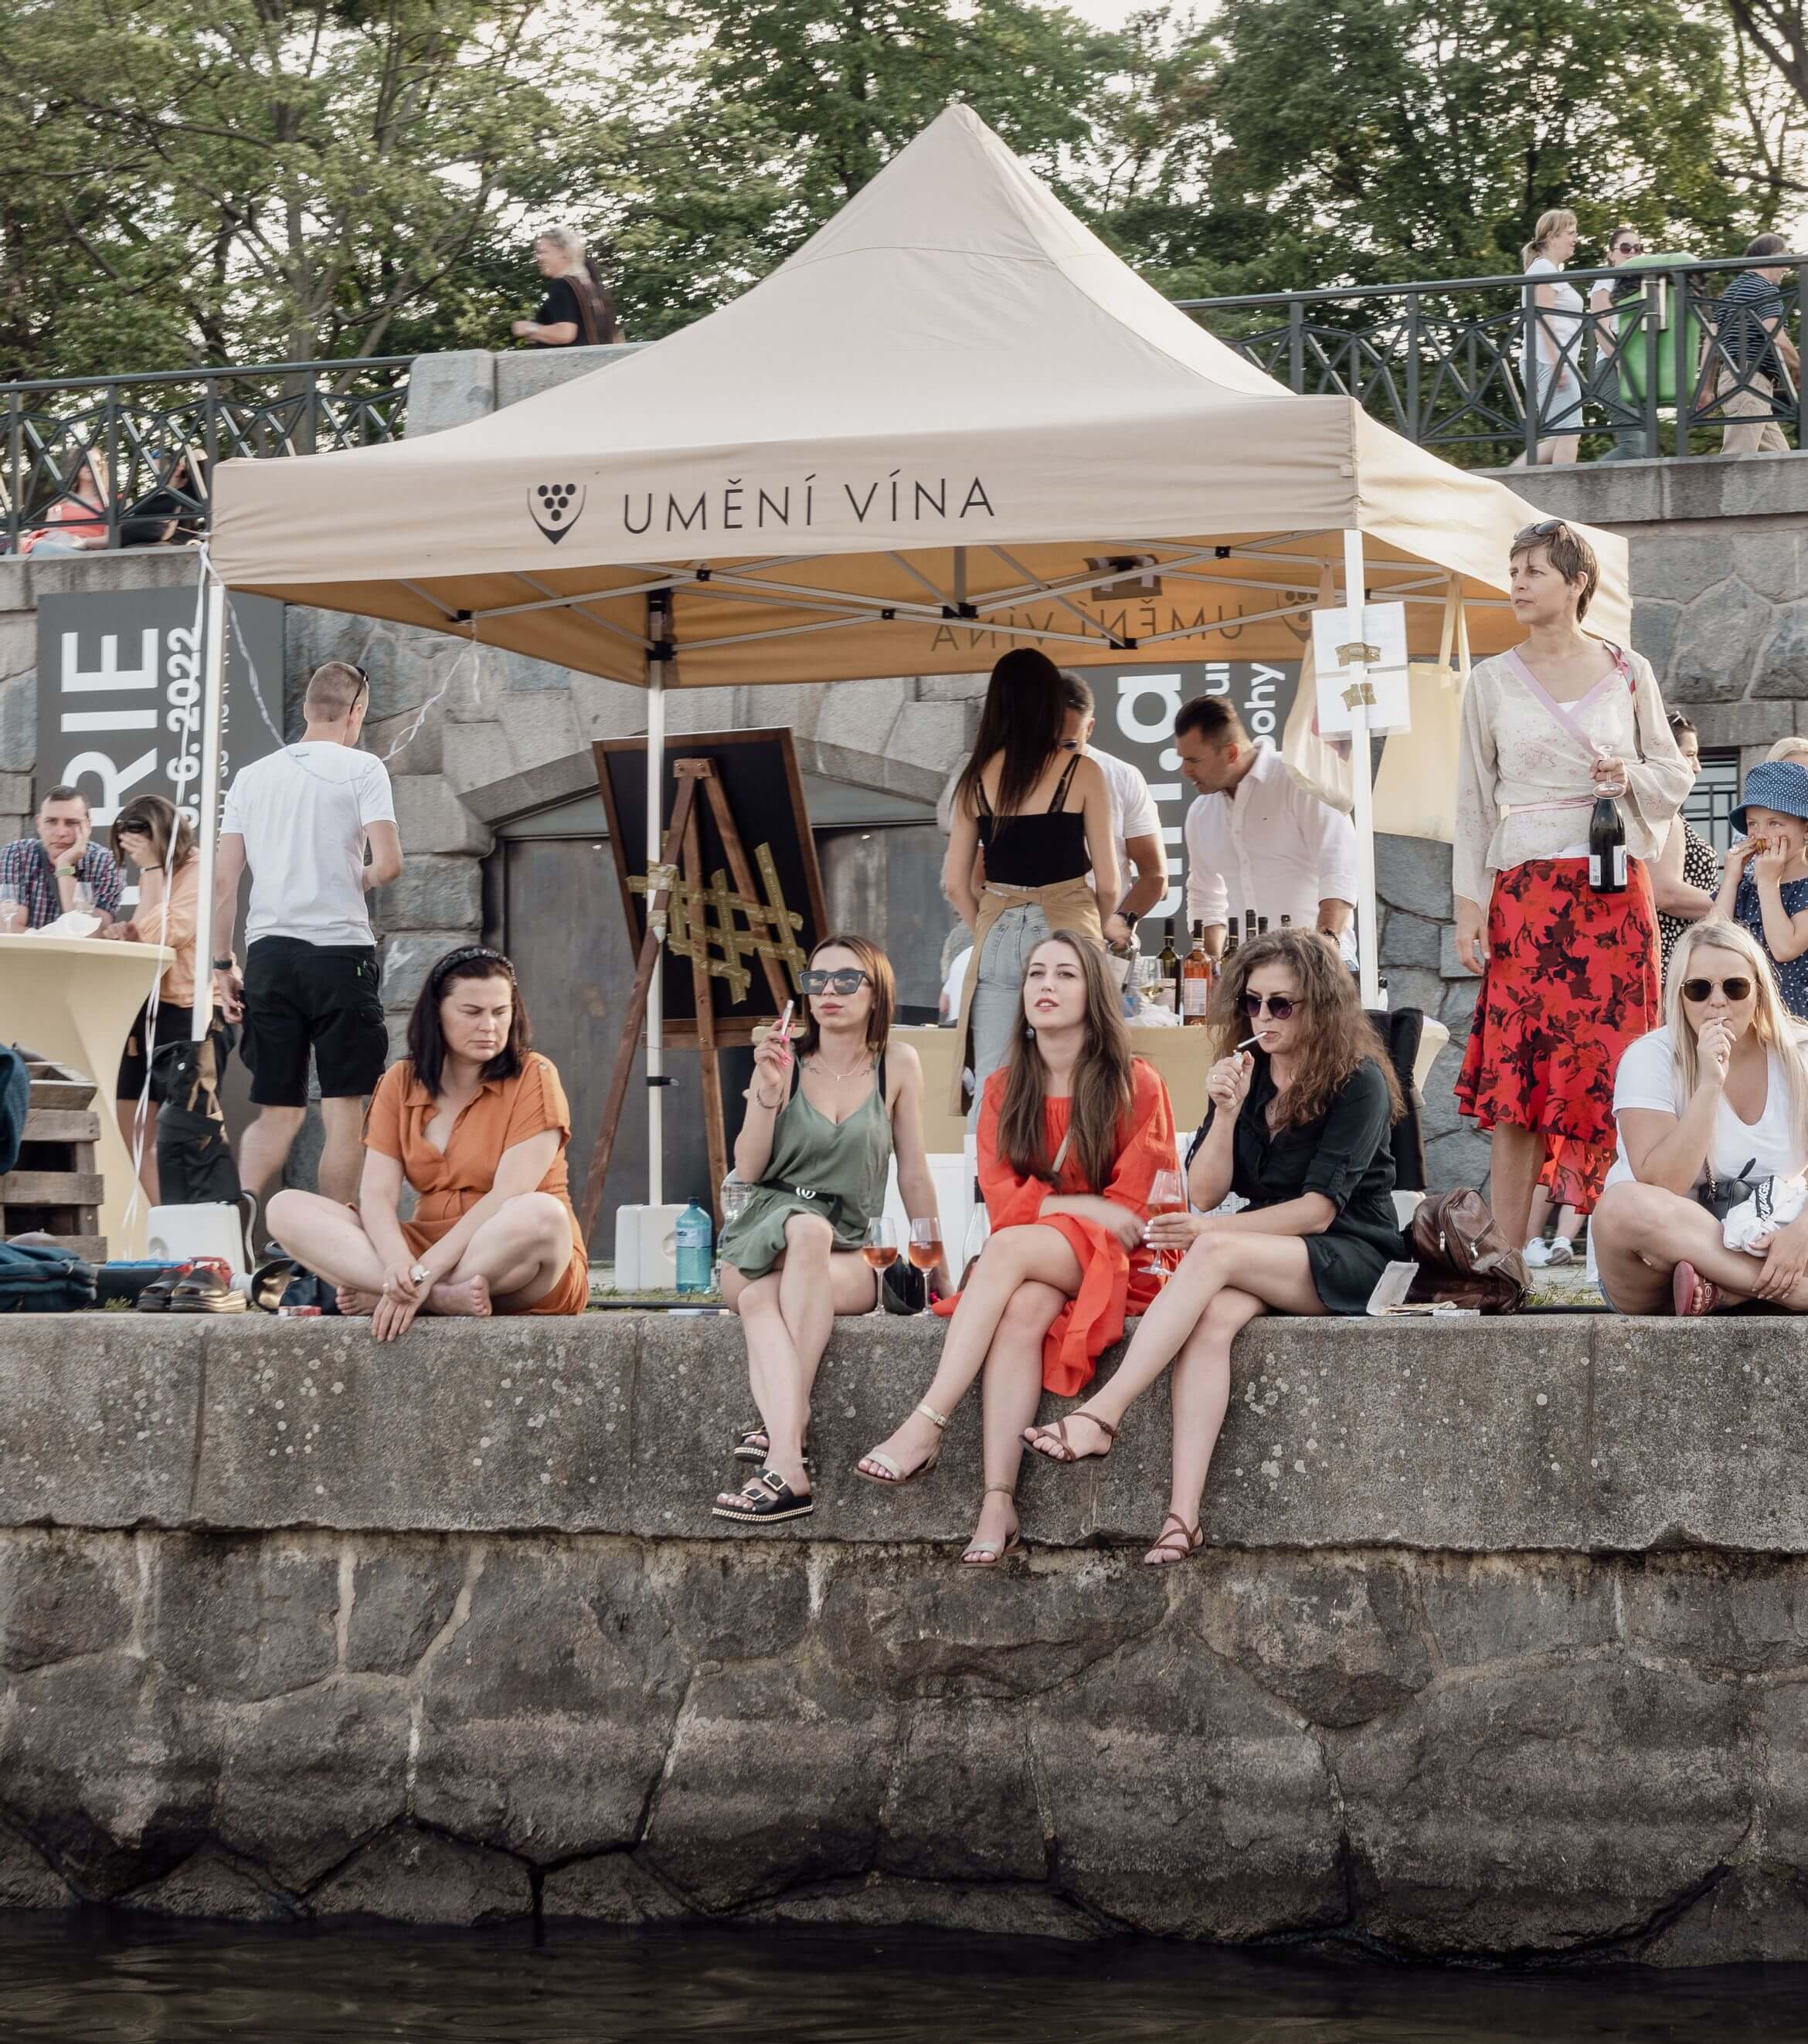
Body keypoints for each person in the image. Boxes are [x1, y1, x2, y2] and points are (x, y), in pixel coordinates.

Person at [1022, 929, 1400, 1564]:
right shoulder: (1246, 1071)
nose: (1263, 1017)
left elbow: (1318, 1210)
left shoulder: (1357, 1080)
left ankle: (1103, 1415)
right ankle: (1183, 1518)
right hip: (1266, 1248)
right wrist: (1226, 1113)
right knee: (1211, 1320)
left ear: (1321, 1006)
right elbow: (1203, 1190)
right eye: (1252, 1002)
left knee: (1212, 1254)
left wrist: (1209, 1233)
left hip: (1352, 1250)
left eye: (1281, 1005)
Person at [857, 933, 1176, 1567]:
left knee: (1006, 1254)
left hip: (1121, 1263)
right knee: (1023, 1307)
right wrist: (1081, 1207)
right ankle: (997, 1502)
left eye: (1065, 974)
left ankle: (927, 1423)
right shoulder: (1004, 1089)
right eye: (1036, 974)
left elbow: (1131, 1214)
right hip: (1039, 1258)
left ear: (1094, 993)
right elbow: (1005, 1203)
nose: (1046, 986)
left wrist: (1071, 1212)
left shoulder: (1136, 1083)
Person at [1453, 518, 1690, 1252]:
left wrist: (1630, 775)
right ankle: (1506, 1259)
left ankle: (1642, 1247)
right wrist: (1468, 907)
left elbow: (1675, 774)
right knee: (1519, 1079)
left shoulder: (1628, 669)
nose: (1517, 584)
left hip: (1614, 893)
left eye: (1533, 571)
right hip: (1525, 894)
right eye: (1514, 571)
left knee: (1625, 1066)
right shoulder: (1489, 681)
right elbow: (1471, 801)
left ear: (1576, 582)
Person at [711, 935, 943, 1526]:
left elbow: (914, 1172)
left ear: (876, 993)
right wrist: (766, 1093)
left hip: (849, 1249)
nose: (829, 992)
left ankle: (784, 1448)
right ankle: (791, 1447)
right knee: (804, 1233)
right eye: (817, 981)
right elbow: (748, 1169)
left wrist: (937, 1268)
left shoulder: (898, 1063)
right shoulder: (782, 1059)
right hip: (761, 1237)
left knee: (765, 1296)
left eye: (846, 980)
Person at [267, 946, 589, 1337]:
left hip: (511, 1252)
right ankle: (439, 1300)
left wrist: (422, 1275)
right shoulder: (399, 1081)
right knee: (286, 1208)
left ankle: (404, 1295)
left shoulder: (535, 1075)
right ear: (436, 1013)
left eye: (500, 1012)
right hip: (425, 1249)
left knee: (542, 1213)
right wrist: (398, 1265)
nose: (489, 1026)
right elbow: (378, 1196)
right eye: (472, 1012)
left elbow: (506, 1195)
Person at [211, 662, 403, 1207]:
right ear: (356, 712)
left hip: (269, 956)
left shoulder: (251, 776)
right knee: (342, 1111)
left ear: (305, 708)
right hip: (339, 955)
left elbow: (224, 882)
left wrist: (223, 965)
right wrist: (359, 879)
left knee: (278, 1112)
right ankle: (332, 1244)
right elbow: (390, 864)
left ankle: (236, 1217)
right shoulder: (363, 768)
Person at [1592, 919, 1808, 1316]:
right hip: (1661, 1263)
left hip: (1771, 1235)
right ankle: (1790, 1292)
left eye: (1735, 987)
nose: (1718, 1001)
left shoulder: (1800, 1054)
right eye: (1699, 989)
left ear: (1759, 992)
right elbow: (1664, 1184)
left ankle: (1728, 1292)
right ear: (1680, 996)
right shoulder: (1650, 1057)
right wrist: (1709, 1085)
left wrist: (1802, 1232)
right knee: (1621, 1206)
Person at [945, 650, 1119, 1114]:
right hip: (1069, 934)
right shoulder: (1082, 771)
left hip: (997, 934)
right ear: (1049, 703)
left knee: (993, 1084)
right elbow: (1109, 884)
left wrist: (987, 926)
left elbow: (956, 884)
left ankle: (986, 1165)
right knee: (1081, 1079)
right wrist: (1094, 931)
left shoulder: (974, 779)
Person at [1176, 695, 1358, 965]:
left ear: (1231, 753)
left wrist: (1324, 950)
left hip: (1320, 966)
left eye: (1194, 760)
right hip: (1248, 974)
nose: (1185, 771)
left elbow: (1339, 868)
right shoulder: (1200, 813)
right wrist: (1213, 964)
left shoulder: (1301, 780)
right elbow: (1205, 896)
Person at [97, 795, 199, 1202]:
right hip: (144, 1010)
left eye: (138, 842)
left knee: (180, 1134)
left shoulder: (197, 871)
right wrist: (125, 931)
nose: (133, 853)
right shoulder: (153, 876)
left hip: (186, 1009)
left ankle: (185, 1219)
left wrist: (154, 870)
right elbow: (143, 932)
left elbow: (163, 936)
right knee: (131, 1125)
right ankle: (163, 1216)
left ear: (161, 834)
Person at [1059, 671, 1169, 935]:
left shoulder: (1122, 777)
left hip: (1103, 940)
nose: (1058, 755)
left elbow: (1155, 875)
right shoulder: (1011, 781)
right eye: (1045, 743)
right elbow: (978, 878)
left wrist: (1118, 923)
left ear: (1090, 728)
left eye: (1069, 745)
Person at [1715, 759, 1808, 1019]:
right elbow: (1713, 939)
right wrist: (1731, 879)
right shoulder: (1745, 887)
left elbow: (1784, 948)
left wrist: (1768, 882)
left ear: (1806, 829)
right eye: (1753, 824)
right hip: (1746, 1011)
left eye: (1775, 823)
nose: (1762, 834)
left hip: (1795, 1017)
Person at [1715, 233, 1800, 458]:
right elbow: (1776, 336)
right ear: (1772, 256)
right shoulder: (1765, 289)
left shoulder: (1730, 293)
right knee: (1736, 460)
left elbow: (1710, 342)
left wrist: (1705, 389)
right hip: (1749, 382)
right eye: (1784, 259)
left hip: (1741, 381)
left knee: (1783, 462)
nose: (1786, 268)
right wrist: (1799, 366)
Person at [1517, 209, 1586, 467]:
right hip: (1550, 360)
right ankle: (1564, 489)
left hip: (1547, 359)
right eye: (1570, 233)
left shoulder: (1546, 269)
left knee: (1560, 436)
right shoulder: (1543, 268)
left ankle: (1508, 480)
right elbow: (1543, 319)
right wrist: (1559, 363)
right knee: (1570, 432)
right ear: (1552, 236)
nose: (1575, 239)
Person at [0, 785, 122, 928]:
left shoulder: (104, 862)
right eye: (51, 822)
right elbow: (10, 928)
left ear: (87, 826)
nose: (61, 832)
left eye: (71, 823)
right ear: (39, 824)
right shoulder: (16, 855)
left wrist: (64, 866)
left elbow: (92, 932)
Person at [1654, 711, 1718, 981]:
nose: (1697, 767)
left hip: (1683, 955)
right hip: (1672, 960)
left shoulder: (1664, 813)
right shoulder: (1664, 815)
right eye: (1690, 755)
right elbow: (1666, 893)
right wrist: (1731, 902)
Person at [1588, 224, 1652, 461]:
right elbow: (1601, 329)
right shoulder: (1606, 282)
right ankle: (1585, 481)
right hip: (1612, 368)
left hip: (1637, 370)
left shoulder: (1640, 286)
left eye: (1638, 248)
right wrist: (1620, 362)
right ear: (1611, 255)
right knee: (1633, 447)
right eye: (1625, 248)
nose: (1632, 252)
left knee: (1646, 451)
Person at [510, 226, 617, 348]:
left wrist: (529, 328)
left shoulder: (563, 285)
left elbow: (565, 333)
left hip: (573, 359)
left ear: (564, 252)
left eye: (543, 252)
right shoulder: (589, 287)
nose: (538, 258)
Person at [18, 450, 110, 555]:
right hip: (57, 543)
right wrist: (53, 529)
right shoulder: (62, 501)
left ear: (101, 467)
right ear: (77, 465)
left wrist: (85, 542)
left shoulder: (109, 502)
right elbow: (49, 532)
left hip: (85, 549)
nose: (91, 467)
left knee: (42, 548)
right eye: (85, 462)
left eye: (96, 463)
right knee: (15, 549)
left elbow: (112, 538)